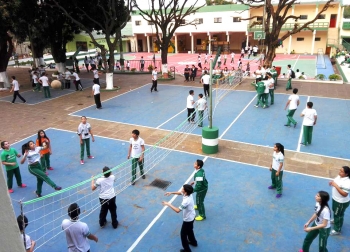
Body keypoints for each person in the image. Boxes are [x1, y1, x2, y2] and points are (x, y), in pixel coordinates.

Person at [163, 184, 197, 252]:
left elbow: (177, 210)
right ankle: (193, 242)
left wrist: (169, 204)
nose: (181, 189)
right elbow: (180, 193)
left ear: (186, 192)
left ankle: (187, 250)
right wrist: (171, 192)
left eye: (183, 189)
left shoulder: (186, 201)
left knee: (183, 235)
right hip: (192, 216)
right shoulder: (188, 194)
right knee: (190, 230)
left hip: (188, 220)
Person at [328, 166, 350, 236]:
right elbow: (335, 182)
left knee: (339, 215)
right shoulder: (339, 176)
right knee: (335, 211)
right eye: (339, 170)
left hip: (341, 202)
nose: (339, 172)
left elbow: (344, 194)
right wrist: (332, 182)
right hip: (336, 199)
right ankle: (335, 220)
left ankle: (337, 230)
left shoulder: (347, 182)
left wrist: (335, 185)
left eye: (341, 171)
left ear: (346, 174)